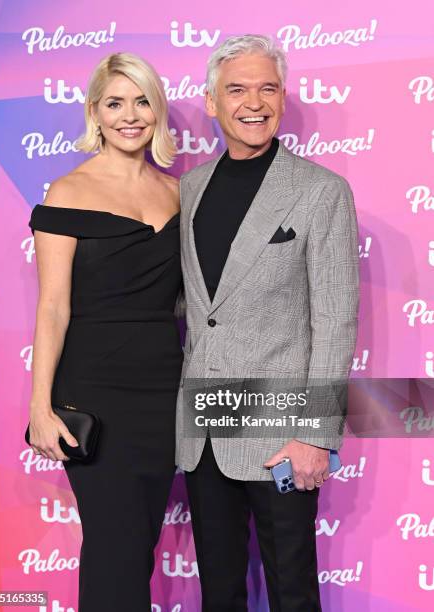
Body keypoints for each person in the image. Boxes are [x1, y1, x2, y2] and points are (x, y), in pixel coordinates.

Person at [176, 35, 359, 611]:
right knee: (220, 592)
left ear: (282, 98)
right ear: (211, 102)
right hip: (204, 428)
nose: (253, 102)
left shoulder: (320, 191)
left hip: (281, 431)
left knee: (293, 589)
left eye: (267, 88)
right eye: (236, 89)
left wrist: (314, 435)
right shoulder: (190, 188)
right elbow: (200, 306)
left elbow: (334, 320)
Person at [27, 52, 182, 612]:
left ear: (157, 110)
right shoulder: (66, 192)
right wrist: (40, 408)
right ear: (95, 112)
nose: (130, 115)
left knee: (136, 547)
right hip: (95, 393)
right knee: (115, 547)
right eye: (115, 102)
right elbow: (52, 308)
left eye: (142, 101)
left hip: (164, 394)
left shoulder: (178, 194)